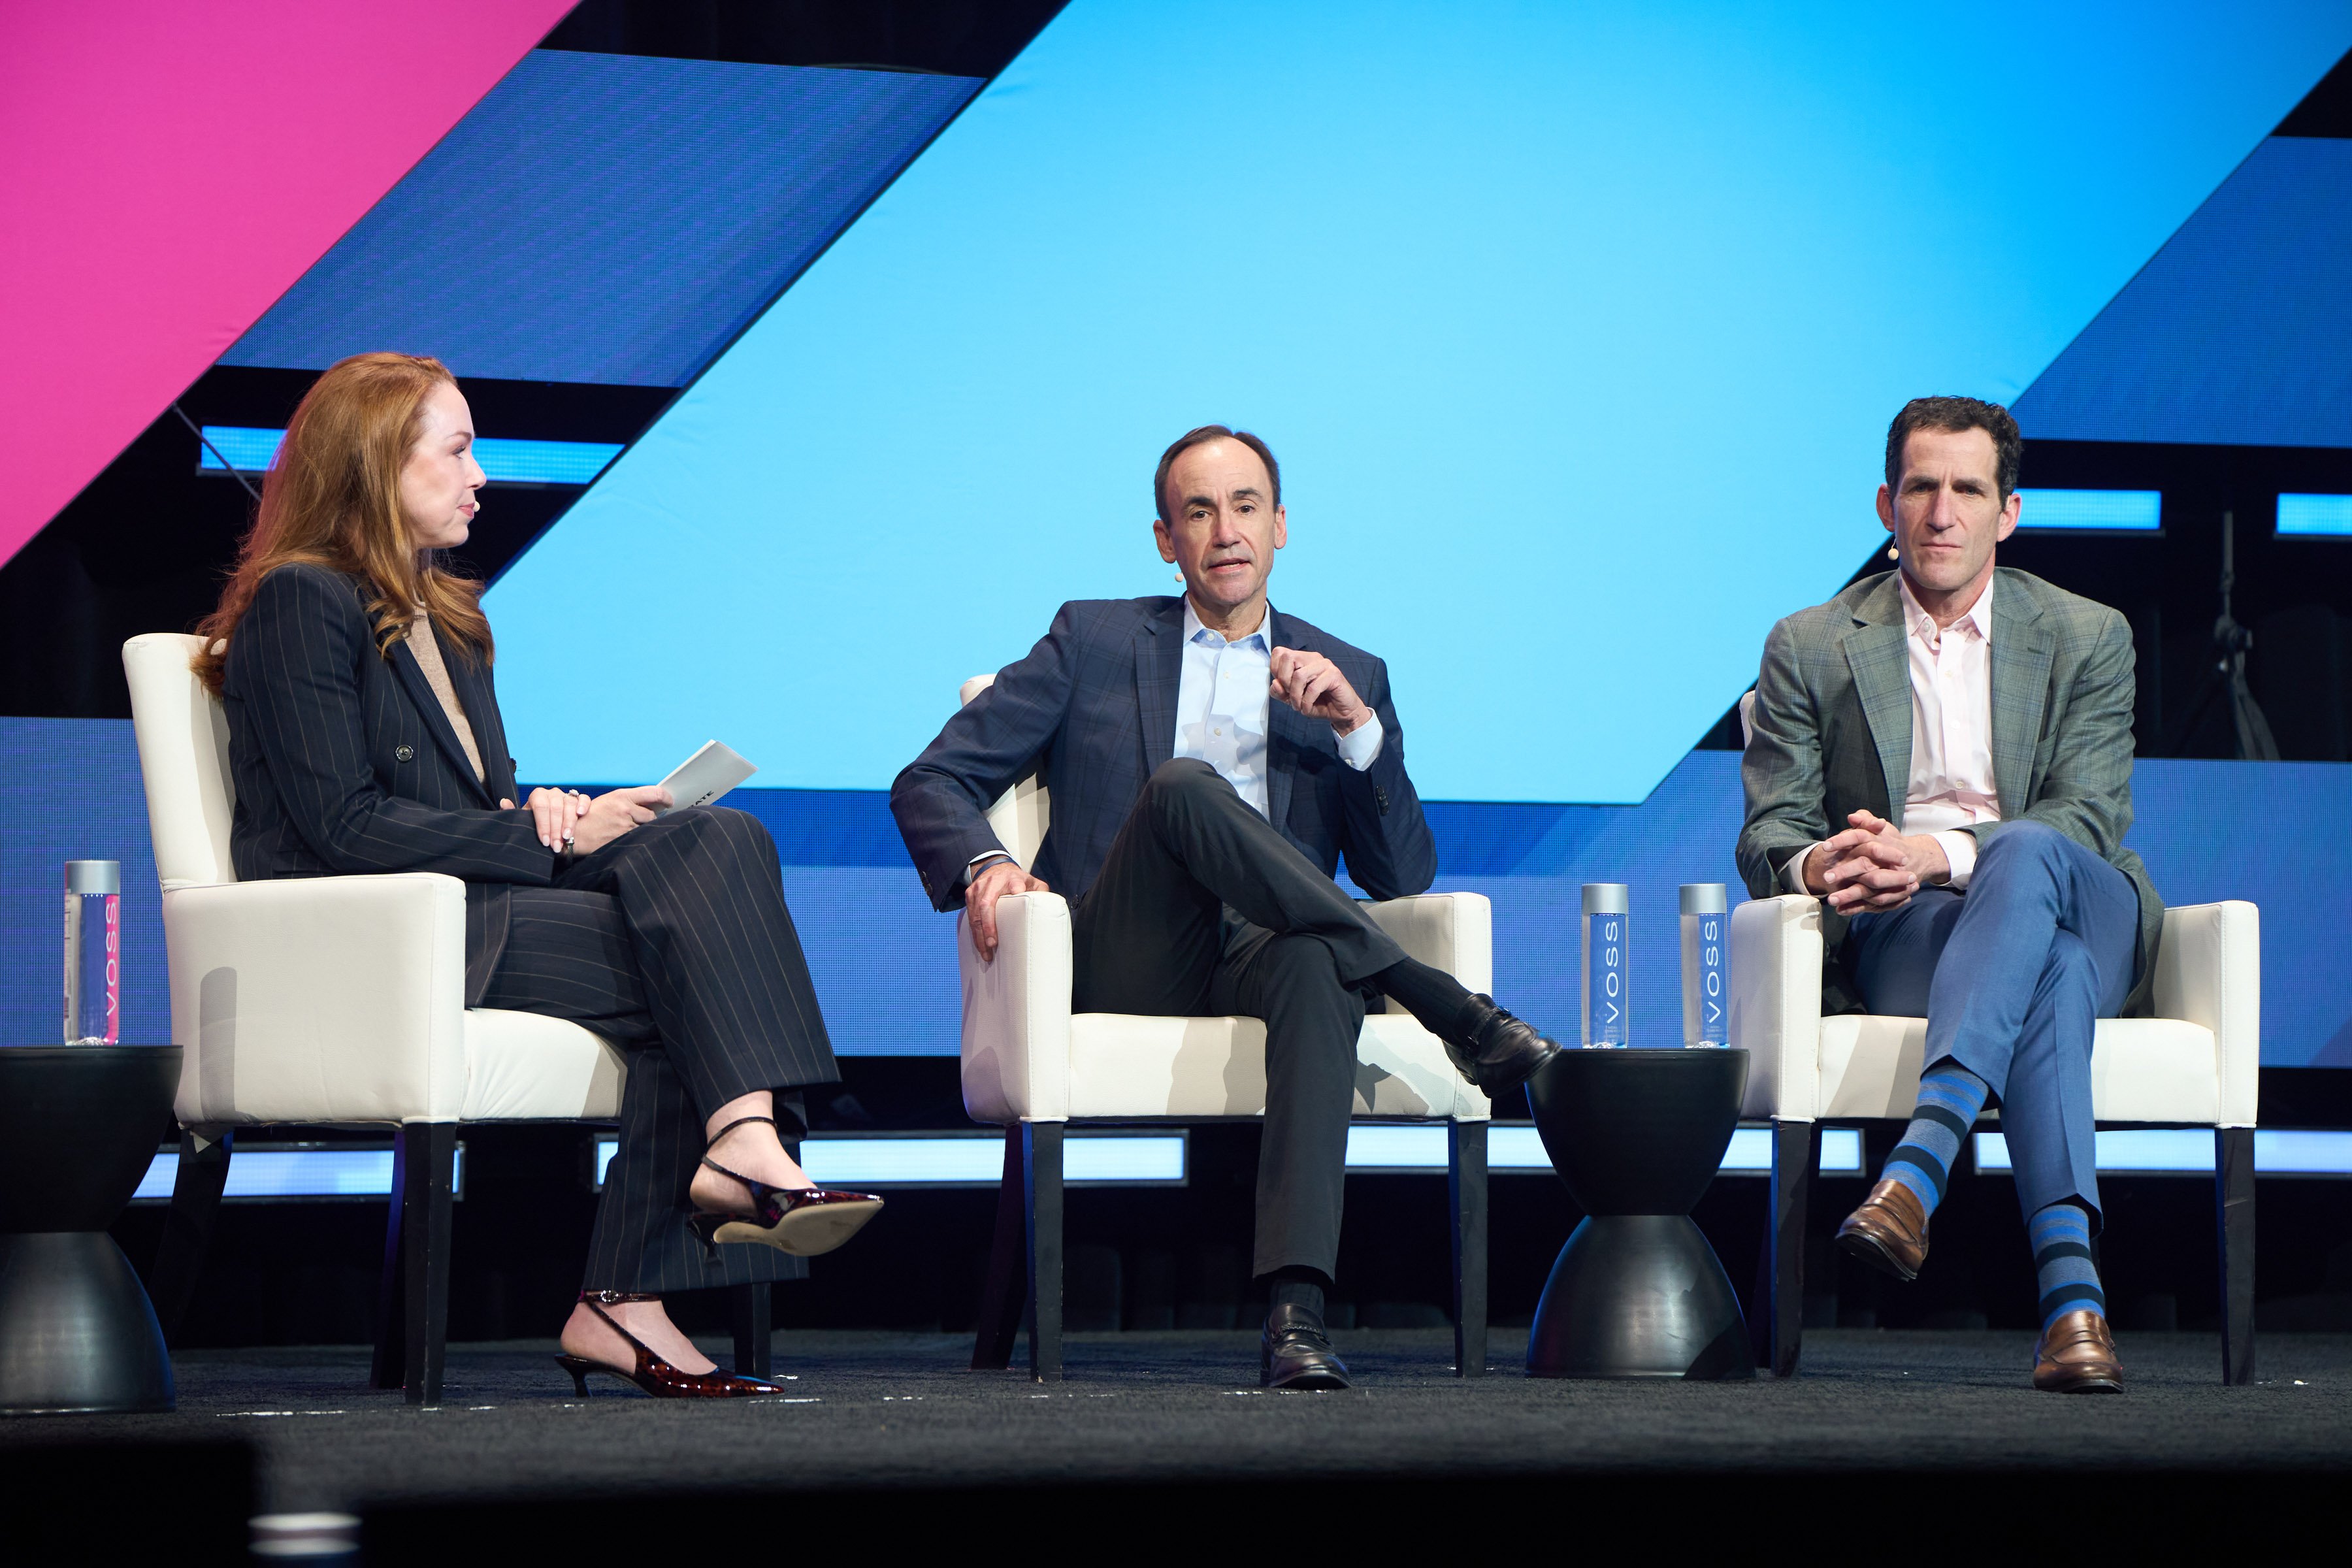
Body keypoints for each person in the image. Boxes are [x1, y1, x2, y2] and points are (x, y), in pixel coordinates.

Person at [193, 352, 881, 1399]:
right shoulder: (303, 600)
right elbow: (340, 826)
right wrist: (546, 840)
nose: (482, 475)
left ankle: (732, 1152)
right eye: (457, 448)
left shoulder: (452, 624)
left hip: (472, 904)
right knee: (684, 965)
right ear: (377, 464)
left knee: (720, 840)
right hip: (377, 941)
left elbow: (457, 817)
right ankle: (659, 1258)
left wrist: (542, 816)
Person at [892, 425, 1561, 1390]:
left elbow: (1403, 874)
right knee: (1180, 787)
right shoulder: (1094, 638)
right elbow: (930, 779)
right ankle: (1450, 1006)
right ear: (1166, 540)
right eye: (1198, 512)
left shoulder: (1348, 673)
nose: (1226, 531)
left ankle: (1296, 1318)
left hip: (1269, 951)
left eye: (1245, 506)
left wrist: (1359, 737)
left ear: (1281, 526)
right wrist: (987, 861)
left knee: (1318, 961)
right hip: (1131, 952)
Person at [1737, 396, 2163, 1393]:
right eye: (1921, 488)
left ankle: (1917, 1167)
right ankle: (2074, 1306)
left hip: (2083, 902)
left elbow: (2089, 820)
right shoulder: (1810, 642)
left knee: (2025, 854)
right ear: (1886, 504)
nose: (1942, 513)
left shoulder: (2088, 634)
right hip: (1910, 929)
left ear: (2007, 514)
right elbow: (1770, 831)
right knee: (2040, 967)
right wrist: (1823, 866)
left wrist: (1935, 852)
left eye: (1968, 490)